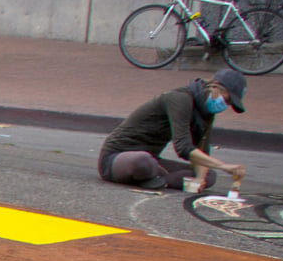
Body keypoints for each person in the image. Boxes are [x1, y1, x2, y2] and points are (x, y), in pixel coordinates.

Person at [97, 70, 248, 192]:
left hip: (153, 159)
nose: (225, 106)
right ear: (214, 87)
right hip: (116, 159)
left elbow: (201, 151)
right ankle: (156, 177)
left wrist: (200, 179)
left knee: (210, 175)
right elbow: (183, 148)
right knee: (143, 162)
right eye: (226, 100)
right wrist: (224, 166)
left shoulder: (206, 112)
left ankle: (157, 179)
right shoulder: (180, 99)